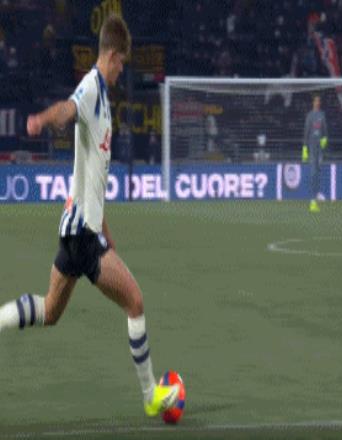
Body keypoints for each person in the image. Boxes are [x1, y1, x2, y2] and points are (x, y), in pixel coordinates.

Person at [0, 14, 178, 417]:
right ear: (112, 55)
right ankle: (151, 395)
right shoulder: (92, 88)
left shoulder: (101, 96)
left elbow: (92, 177)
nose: (121, 71)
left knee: (50, 311)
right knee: (135, 301)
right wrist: (43, 119)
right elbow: (67, 110)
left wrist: (105, 228)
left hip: (77, 229)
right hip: (81, 234)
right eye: (121, 63)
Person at [302, 95, 328, 212]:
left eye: (319, 101)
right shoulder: (310, 116)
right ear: (313, 102)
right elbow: (306, 132)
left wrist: (325, 139)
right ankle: (312, 201)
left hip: (319, 148)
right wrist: (304, 149)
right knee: (313, 172)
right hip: (312, 146)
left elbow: (325, 130)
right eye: (316, 101)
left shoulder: (322, 115)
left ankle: (317, 194)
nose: (317, 102)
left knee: (318, 171)